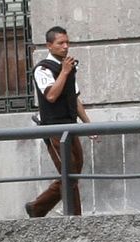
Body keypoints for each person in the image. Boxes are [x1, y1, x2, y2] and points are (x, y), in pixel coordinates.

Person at [25, 26, 94, 217]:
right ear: (49, 46)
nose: (65, 47)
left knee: (74, 171)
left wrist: (88, 125)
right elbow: (51, 96)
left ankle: (37, 207)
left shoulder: (68, 67)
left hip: (70, 126)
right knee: (69, 172)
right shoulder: (42, 69)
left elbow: (75, 98)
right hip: (54, 127)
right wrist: (64, 72)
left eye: (67, 42)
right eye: (60, 43)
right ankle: (74, 216)